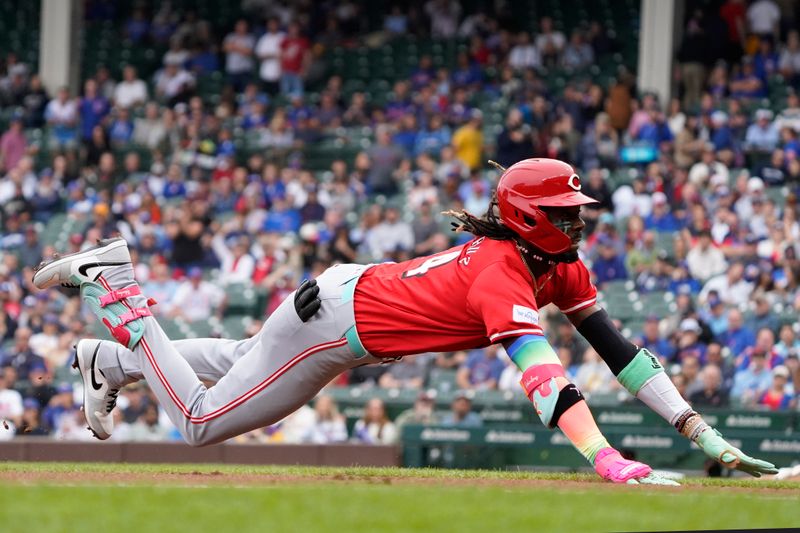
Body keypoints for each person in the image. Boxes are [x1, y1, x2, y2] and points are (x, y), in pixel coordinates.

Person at [33, 158, 776, 485]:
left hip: (341, 299)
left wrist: (700, 433)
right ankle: (118, 288)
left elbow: (623, 353)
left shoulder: (549, 264)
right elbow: (543, 376)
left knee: (233, 354)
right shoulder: (500, 270)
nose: (580, 222)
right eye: (566, 212)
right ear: (531, 216)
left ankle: (108, 359)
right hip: (336, 328)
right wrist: (606, 458)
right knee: (198, 422)